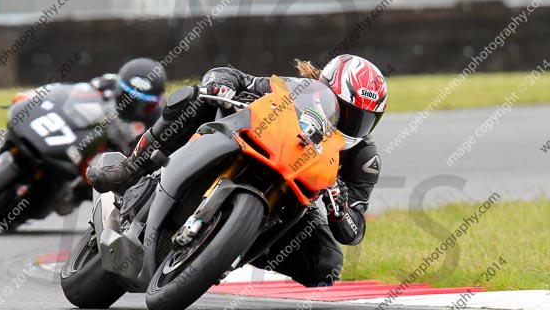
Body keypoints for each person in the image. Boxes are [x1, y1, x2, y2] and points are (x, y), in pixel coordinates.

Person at [86, 54, 387, 286]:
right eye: (347, 112)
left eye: (364, 119)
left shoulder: (363, 159)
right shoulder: (296, 90)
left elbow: (355, 230)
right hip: (247, 142)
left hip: (292, 195)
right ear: (326, 88)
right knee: (195, 98)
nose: (352, 124)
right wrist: (222, 84)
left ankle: (232, 247)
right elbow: (235, 76)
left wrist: (340, 209)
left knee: (328, 263)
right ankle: (131, 167)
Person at [55, 58, 166, 215]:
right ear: (119, 88)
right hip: (89, 133)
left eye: (142, 103)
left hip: (120, 156)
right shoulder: (106, 82)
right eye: (126, 96)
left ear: (154, 103)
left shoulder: (157, 121)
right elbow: (73, 94)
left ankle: (77, 193)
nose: (131, 106)